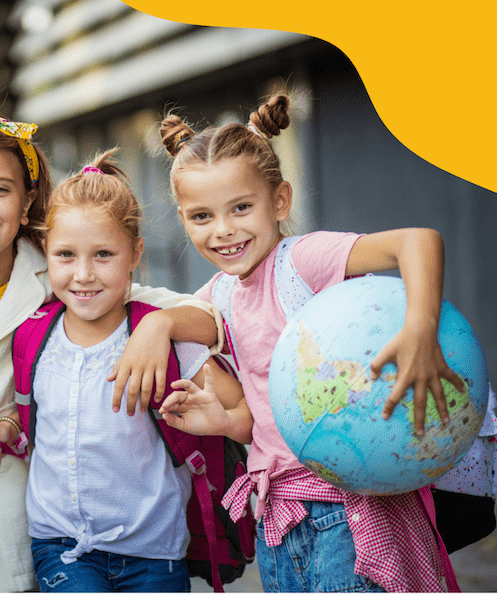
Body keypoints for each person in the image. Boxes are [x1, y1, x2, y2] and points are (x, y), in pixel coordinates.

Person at [0, 113, 220, 592]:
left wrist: (159, 323)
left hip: (8, 510)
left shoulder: (62, 276)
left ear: (29, 200)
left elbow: (206, 317)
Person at [159, 94, 465, 592]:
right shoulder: (216, 298)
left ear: (280, 200)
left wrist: (420, 331)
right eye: (202, 217)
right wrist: (224, 422)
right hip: (277, 516)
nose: (224, 230)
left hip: (349, 509)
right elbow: (257, 421)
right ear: (182, 218)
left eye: (241, 207)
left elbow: (418, 240)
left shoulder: (300, 260)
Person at [0, 150, 252, 592]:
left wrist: (218, 419)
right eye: (66, 255)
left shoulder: (162, 334)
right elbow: (41, 425)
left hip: (154, 555)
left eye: (103, 254)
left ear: (135, 254)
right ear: (46, 253)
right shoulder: (31, 337)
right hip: (60, 545)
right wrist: (7, 431)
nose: (83, 274)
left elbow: (244, 413)